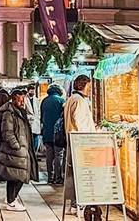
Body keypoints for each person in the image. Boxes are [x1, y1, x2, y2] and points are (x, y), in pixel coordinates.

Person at [0, 90, 39, 212]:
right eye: (19, 100)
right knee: (16, 177)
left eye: (23, 100)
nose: (22, 102)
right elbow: (7, 132)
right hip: (16, 150)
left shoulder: (19, 111)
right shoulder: (9, 113)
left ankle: (11, 199)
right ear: (13, 99)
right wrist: (16, 145)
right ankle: (11, 201)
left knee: (18, 176)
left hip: (22, 148)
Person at [64, 75, 96, 214]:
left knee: (74, 175)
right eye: (89, 86)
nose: (90, 89)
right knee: (81, 175)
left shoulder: (71, 99)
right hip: (81, 143)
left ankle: (74, 204)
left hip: (72, 141)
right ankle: (78, 205)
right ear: (83, 85)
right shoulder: (79, 101)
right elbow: (80, 122)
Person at [41, 84, 65, 184]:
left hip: (47, 133)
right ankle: (58, 177)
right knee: (58, 155)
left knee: (49, 156)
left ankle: (50, 177)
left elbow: (42, 117)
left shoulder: (44, 101)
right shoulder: (61, 101)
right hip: (58, 134)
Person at [25, 85, 42, 152]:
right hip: (29, 122)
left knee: (36, 139)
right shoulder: (25, 99)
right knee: (30, 139)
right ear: (28, 90)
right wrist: (29, 117)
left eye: (33, 91)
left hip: (36, 122)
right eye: (31, 90)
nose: (32, 92)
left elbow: (38, 111)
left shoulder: (37, 100)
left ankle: (35, 153)